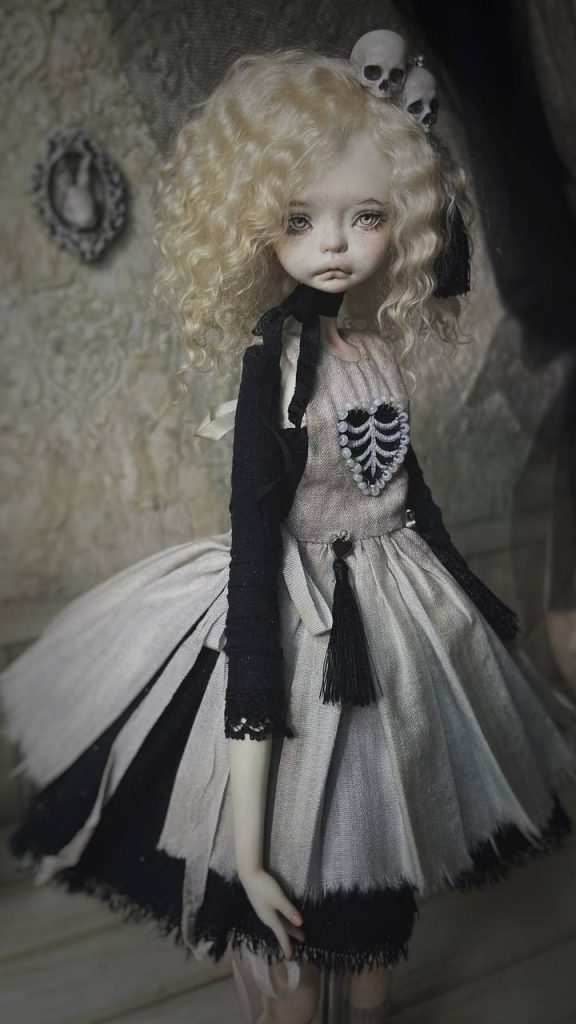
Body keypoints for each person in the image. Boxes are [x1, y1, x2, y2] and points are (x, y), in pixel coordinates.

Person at [3, 40, 576, 1024]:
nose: (337, 243)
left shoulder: (373, 349)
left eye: (367, 215)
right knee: (304, 902)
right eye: (302, 219)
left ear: (402, 219)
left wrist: (476, 609)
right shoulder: (274, 362)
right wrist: (252, 852)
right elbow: (258, 546)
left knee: (380, 887)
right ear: (258, 220)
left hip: (397, 610)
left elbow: (410, 490)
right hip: (305, 611)